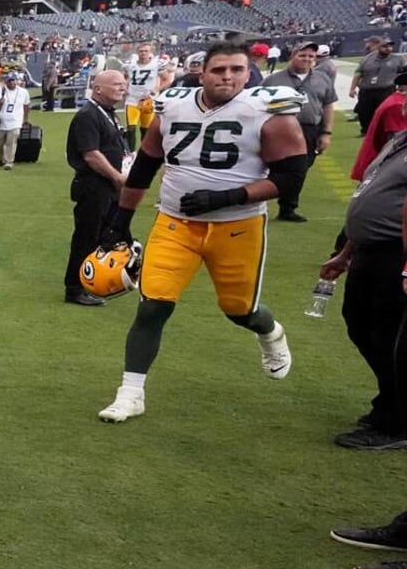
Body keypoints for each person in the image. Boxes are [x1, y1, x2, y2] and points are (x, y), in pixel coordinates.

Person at [95, 44, 302, 423]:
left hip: (237, 226)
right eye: (219, 69)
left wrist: (229, 196)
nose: (228, 77)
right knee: (153, 304)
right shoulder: (172, 105)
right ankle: (130, 393)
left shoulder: (269, 112)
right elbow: (144, 166)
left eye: (237, 69)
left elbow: (291, 178)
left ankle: (270, 333)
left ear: (248, 72)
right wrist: (120, 220)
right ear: (201, 72)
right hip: (175, 223)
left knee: (239, 310)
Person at [317, 129, 407, 450]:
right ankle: (390, 400)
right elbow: (371, 196)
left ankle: (395, 423)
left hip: (396, 252)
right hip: (368, 249)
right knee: (359, 324)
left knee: (390, 335)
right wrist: (346, 252)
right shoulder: (399, 141)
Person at [64, 70, 129, 306]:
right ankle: (75, 287)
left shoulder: (108, 114)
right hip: (94, 185)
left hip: (108, 185)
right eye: (116, 84)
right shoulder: (88, 115)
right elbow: (91, 155)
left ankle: (95, 282)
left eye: (124, 84)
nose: (122, 88)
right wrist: (117, 177)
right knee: (87, 237)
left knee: (105, 236)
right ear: (98, 88)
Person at [265, 40, 336, 224]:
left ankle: (287, 208)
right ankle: (259, 202)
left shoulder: (323, 78)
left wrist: (326, 133)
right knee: (271, 168)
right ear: (292, 56)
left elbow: (328, 105)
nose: (307, 59)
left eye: (311, 56)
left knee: (301, 170)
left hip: (310, 129)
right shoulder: (273, 79)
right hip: (279, 130)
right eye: (302, 55)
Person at [348, 38, 400, 134]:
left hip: (386, 90)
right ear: (378, 47)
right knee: (364, 113)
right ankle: (366, 131)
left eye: (390, 46)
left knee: (385, 112)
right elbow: (358, 74)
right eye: (385, 46)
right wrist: (352, 88)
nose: (388, 48)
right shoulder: (367, 59)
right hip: (367, 90)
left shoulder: (397, 59)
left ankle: (385, 131)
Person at [123, 43, 164, 152]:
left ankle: (144, 154)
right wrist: (124, 87)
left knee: (146, 130)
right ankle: (131, 154)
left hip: (148, 100)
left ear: (150, 53)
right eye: (141, 51)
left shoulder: (156, 64)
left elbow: (168, 78)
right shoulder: (130, 65)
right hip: (132, 99)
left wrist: (158, 88)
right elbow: (124, 77)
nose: (143, 53)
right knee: (131, 129)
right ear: (137, 53)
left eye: (146, 51)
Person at [0, 71, 30, 170]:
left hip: (15, 121)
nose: (12, 83)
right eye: (9, 81)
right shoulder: (0, 90)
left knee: (11, 142)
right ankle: (2, 158)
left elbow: (26, 105)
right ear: (6, 82)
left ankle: (9, 161)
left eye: (13, 80)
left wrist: (25, 119)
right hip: (1, 122)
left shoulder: (23, 92)